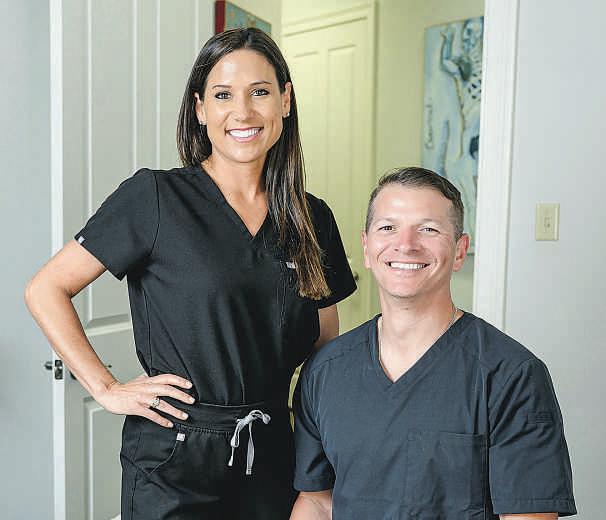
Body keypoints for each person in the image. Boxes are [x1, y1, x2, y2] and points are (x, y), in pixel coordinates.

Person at [25, 28, 356, 519]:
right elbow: (46, 288)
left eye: (260, 92)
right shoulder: (155, 199)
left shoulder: (313, 219)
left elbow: (323, 352)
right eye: (223, 95)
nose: (242, 112)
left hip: (272, 454)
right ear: (200, 109)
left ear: (285, 101)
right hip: (173, 459)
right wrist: (106, 388)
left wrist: (323, 459)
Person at [291, 167, 576, 519]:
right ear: (366, 247)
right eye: (388, 228)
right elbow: (318, 502)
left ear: (459, 251)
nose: (406, 244)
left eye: (428, 229)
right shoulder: (325, 371)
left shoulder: (511, 376)